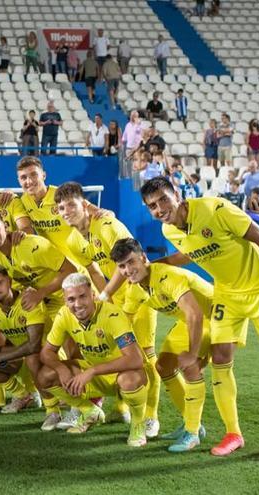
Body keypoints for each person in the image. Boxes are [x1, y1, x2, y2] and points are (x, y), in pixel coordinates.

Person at [138, 176, 259, 464]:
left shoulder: (215, 209)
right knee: (220, 357)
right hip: (227, 294)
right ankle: (233, 434)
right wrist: (151, 266)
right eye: (152, 206)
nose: (160, 208)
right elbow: (188, 254)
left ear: (177, 194)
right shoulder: (169, 230)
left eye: (163, 199)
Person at [54, 182, 159, 431]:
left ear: (84, 204)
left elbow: (131, 261)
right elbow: (93, 270)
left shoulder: (108, 225)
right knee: (117, 355)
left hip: (139, 292)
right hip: (115, 297)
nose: (66, 210)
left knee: (145, 355)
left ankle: (151, 417)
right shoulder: (72, 239)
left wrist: (108, 296)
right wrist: (107, 300)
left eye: (71, 204)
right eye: (61, 207)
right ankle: (122, 407)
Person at [111, 238, 212, 451]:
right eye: (122, 266)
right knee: (163, 366)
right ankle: (191, 423)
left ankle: (192, 433)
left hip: (216, 317)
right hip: (189, 320)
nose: (128, 270)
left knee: (191, 367)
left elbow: (195, 313)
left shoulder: (167, 275)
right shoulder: (135, 287)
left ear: (143, 258)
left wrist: (193, 353)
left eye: (131, 262)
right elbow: (124, 320)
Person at [38, 273, 150, 447]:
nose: (77, 304)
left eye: (82, 296)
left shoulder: (112, 314)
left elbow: (136, 359)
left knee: (129, 379)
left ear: (93, 295)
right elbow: (46, 353)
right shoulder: (64, 315)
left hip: (121, 375)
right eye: (71, 299)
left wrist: (92, 371)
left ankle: (138, 423)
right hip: (95, 376)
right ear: (65, 301)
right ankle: (89, 411)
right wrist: (62, 369)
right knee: (45, 375)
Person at [0, 265, 46, 415]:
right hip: (22, 355)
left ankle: (53, 408)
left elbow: (34, 345)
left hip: (48, 354)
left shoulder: (28, 300)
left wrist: (0, 356)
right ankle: (23, 396)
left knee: (32, 358)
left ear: (9, 282)